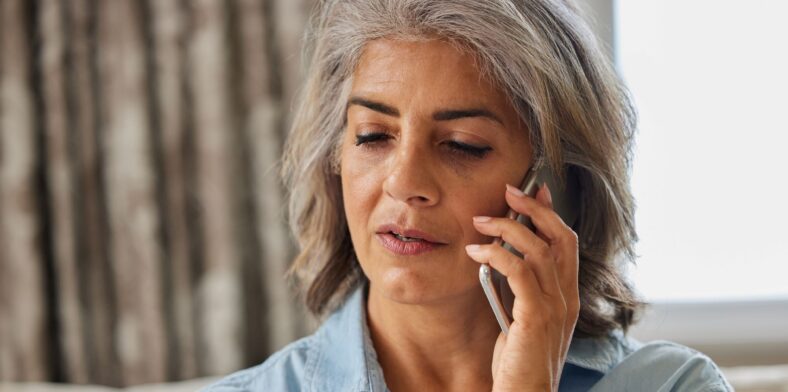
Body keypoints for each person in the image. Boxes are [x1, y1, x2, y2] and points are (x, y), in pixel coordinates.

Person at [205, 0, 731, 391]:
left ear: (551, 185)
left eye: (462, 145)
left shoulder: (673, 385)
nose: (404, 182)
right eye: (372, 136)